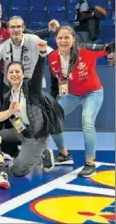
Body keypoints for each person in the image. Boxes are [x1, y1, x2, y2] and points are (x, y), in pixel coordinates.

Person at [49, 26, 114, 177]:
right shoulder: (52, 57)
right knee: (52, 118)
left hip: (93, 92)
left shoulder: (86, 51)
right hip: (70, 95)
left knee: (87, 121)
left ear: (73, 39)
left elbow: (109, 47)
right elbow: (55, 81)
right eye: (60, 38)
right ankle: (64, 154)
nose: (63, 40)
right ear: (56, 40)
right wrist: (53, 101)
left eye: (67, 37)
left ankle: (90, 163)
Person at [0, 42, 58, 177]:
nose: (14, 74)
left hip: (36, 135)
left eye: (17, 72)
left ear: (23, 74)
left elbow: (38, 72)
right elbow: (1, 116)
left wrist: (42, 54)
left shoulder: (32, 89)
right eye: (11, 72)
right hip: (22, 130)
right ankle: (22, 155)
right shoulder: (8, 95)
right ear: (7, 76)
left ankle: (43, 153)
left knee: (17, 171)